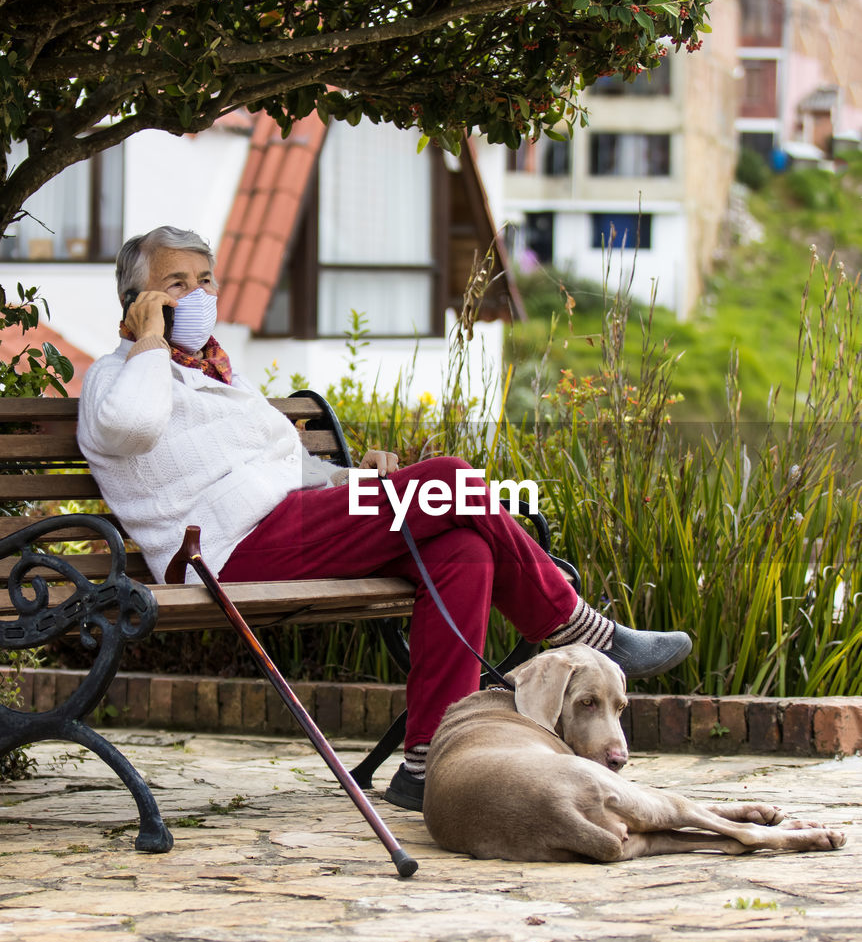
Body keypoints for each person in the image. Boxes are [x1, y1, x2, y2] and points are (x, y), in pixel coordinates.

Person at [78, 226, 692, 811]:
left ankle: (429, 760)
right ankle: (578, 628)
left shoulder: (220, 377)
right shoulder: (118, 376)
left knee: (463, 551)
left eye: (206, 280)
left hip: (287, 526)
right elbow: (133, 426)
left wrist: (358, 483)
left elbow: (289, 473)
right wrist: (149, 342)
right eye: (177, 284)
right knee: (449, 478)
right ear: (137, 301)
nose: (198, 295)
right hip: (222, 552)